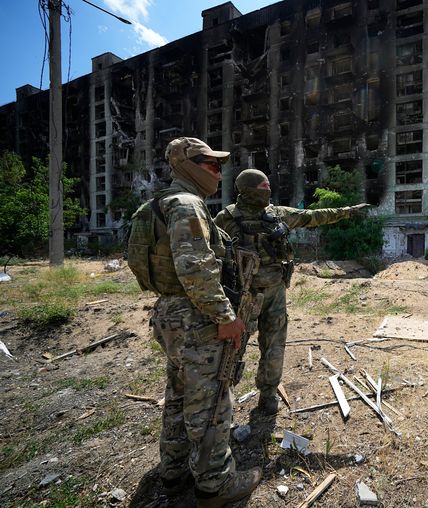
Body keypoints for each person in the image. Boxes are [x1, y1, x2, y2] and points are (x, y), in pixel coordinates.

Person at [128, 137, 261, 508]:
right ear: (187, 165)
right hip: (196, 315)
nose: (219, 172)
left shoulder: (156, 204)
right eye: (211, 164)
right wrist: (226, 316)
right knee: (212, 401)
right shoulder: (187, 205)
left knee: (180, 393)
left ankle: (173, 471)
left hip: (171, 312)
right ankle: (214, 484)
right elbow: (195, 268)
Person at [214, 168, 371, 416]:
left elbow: (313, 216)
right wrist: (346, 212)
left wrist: (346, 212)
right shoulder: (268, 215)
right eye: (264, 186)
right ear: (251, 189)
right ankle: (257, 398)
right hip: (251, 295)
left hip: (257, 294)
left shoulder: (230, 217)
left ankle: (233, 399)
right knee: (255, 347)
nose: (268, 190)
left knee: (247, 347)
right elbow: (314, 217)